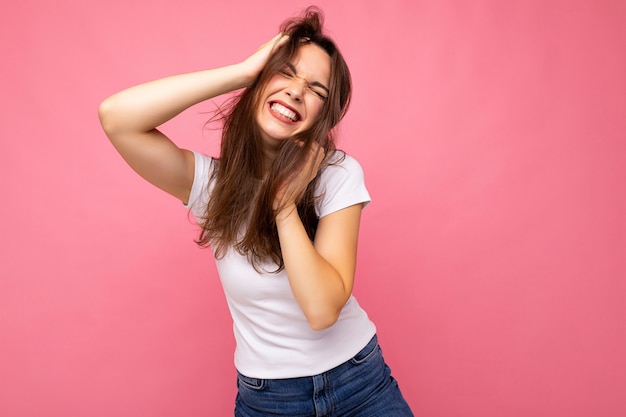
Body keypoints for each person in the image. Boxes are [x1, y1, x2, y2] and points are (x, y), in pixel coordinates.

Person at [99, 6, 414, 417]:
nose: (297, 91)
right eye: (285, 73)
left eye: (316, 90)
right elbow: (116, 118)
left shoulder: (336, 175)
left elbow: (321, 311)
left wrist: (283, 204)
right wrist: (242, 71)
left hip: (360, 385)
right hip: (270, 401)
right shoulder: (212, 188)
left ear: (324, 115)